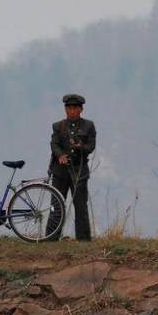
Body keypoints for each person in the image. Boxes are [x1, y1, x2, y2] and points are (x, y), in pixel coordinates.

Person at [47, 94, 96, 241]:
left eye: (75, 108)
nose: (72, 111)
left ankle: (83, 239)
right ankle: (51, 238)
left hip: (79, 172)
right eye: (69, 108)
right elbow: (54, 144)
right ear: (65, 109)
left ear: (81, 109)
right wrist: (60, 155)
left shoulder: (89, 125)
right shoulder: (58, 126)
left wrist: (81, 147)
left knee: (80, 206)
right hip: (60, 173)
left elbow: (91, 146)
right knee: (56, 206)